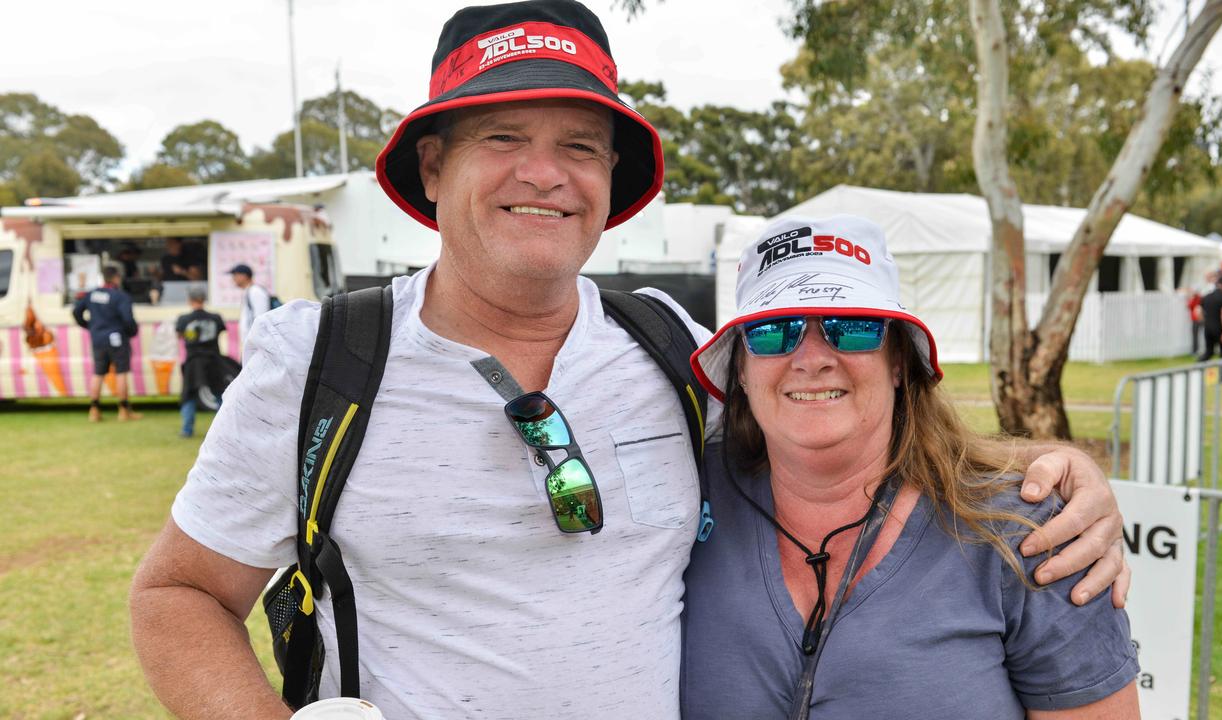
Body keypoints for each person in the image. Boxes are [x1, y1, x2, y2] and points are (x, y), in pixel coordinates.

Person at [129, 3, 1128, 718]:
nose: (543, 173)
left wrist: (1057, 479)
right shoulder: (322, 361)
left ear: (612, 176)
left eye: (580, 144)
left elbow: (838, 427)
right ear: (431, 168)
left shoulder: (665, 347)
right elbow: (176, 596)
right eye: (501, 136)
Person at [683, 215, 1138, 718]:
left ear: (898, 362)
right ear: (742, 371)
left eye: (852, 327)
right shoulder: (684, 492)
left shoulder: (1026, 533)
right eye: (772, 331)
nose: (811, 359)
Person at [72, 264, 142, 422]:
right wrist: (131, 332)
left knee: (98, 373)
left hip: (97, 339)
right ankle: (124, 410)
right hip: (117, 338)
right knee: (121, 373)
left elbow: (76, 312)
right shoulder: (120, 296)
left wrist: (89, 325)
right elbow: (128, 319)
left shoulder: (91, 294)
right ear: (116, 277)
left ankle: (94, 410)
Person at [174, 286, 232, 438]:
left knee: (189, 394)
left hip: (193, 361)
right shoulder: (215, 318)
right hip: (213, 359)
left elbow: (180, 336)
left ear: (190, 301)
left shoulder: (184, 319)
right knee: (220, 393)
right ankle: (224, 428)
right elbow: (221, 331)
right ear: (204, 299)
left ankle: (187, 429)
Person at [228, 263, 272, 353]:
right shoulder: (248, 291)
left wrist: (255, 343)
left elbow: (260, 318)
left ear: (244, 276)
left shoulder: (255, 291)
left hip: (257, 345)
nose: (233, 279)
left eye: (235, 275)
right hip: (250, 345)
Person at [1185, 285, 1203, 356]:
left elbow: (1189, 305)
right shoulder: (1200, 298)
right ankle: (1197, 350)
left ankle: (1195, 350)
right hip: (1198, 319)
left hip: (1196, 319)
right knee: (1198, 335)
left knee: (1195, 336)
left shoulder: (1196, 298)